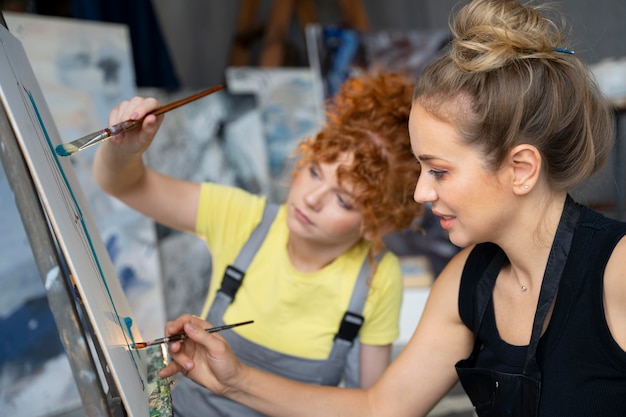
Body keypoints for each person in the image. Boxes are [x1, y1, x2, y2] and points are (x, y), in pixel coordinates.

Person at [157, 0, 626, 416]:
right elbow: (381, 407)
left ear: (521, 168)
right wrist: (232, 378)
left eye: (439, 171)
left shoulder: (617, 270)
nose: (421, 193)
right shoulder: (466, 282)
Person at [93, 72, 423, 416]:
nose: (311, 199)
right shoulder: (243, 219)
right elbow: (125, 185)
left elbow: (371, 406)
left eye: (343, 200)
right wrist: (123, 152)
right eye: (314, 172)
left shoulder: (377, 277)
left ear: (377, 222)